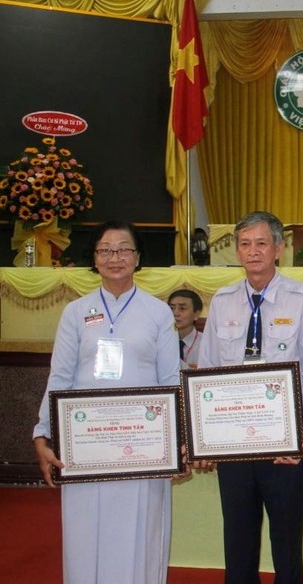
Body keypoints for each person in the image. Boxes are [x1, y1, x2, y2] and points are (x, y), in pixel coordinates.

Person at [33, 221, 180, 584]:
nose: (115, 257)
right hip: (86, 448)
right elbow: (60, 377)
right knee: (86, 538)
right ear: (94, 259)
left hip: (143, 448)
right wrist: (42, 435)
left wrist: (179, 443)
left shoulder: (158, 313)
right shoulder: (76, 312)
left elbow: (170, 382)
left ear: (138, 257)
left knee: (140, 534)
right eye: (105, 250)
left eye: (124, 249)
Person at [197, 210, 303, 584]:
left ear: (278, 250)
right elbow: (206, 370)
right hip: (234, 443)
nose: (252, 251)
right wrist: (205, 439)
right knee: (238, 541)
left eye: (260, 243)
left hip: (285, 443)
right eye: (244, 244)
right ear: (237, 251)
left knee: (286, 543)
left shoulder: (301, 299)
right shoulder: (222, 301)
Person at [168, 288, 203, 369]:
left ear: (196, 314)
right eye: (171, 308)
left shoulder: (206, 343)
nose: (175, 313)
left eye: (182, 308)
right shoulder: (161, 342)